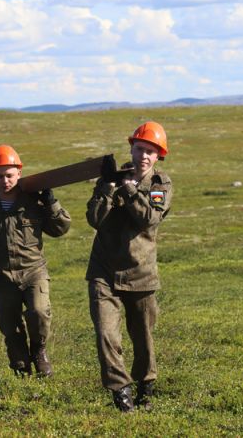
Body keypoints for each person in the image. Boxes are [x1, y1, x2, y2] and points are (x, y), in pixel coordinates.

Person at [0, 144, 71, 377]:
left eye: (9, 175)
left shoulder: (33, 201)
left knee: (39, 312)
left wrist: (51, 202)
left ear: (19, 173)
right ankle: (20, 364)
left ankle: (39, 351)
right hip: (3, 275)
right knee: (10, 325)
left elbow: (60, 229)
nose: (5, 180)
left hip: (33, 271)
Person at [85, 121, 173, 412]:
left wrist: (129, 190)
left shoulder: (160, 185)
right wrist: (109, 188)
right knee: (106, 333)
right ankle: (121, 392)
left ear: (159, 155)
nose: (143, 156)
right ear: (131, 148)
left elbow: (149, 218)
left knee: (142, 336)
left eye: (150, 151)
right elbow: (95, 219)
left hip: (141, 271)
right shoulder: (111, 178)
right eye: (139, 149)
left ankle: (145, 385)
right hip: (104, 270)